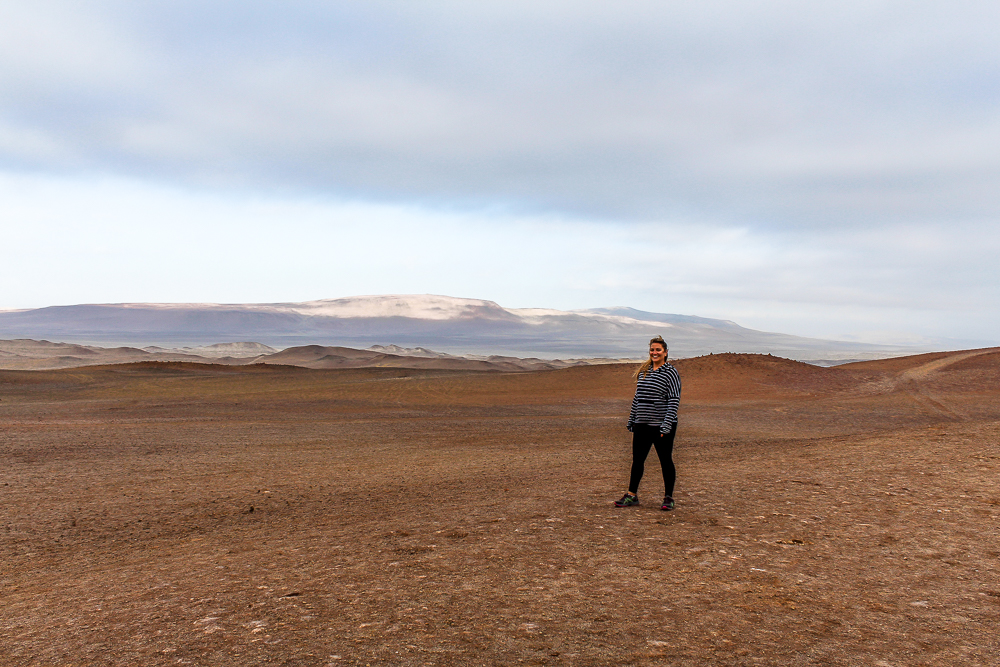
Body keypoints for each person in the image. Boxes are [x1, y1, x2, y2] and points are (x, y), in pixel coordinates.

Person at [615, 335, 682, 510]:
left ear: (665, 352)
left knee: (665, 461)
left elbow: (674, 399)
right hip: (642, 424)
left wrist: (666, 425)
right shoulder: (644, 372)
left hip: (661, 425)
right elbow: (638, 398)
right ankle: (631, 495)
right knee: (637, 460)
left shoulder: (670, 372)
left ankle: (668, 498)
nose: (654, 352)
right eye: (652, 349)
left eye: (658, 350)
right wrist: (632, 420)